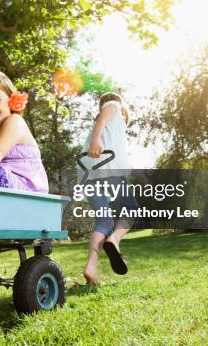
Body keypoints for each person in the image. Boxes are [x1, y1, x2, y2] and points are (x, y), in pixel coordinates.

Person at [81, 93, 137, 285]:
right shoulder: (113, 105)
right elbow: (102, 120)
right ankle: (114, 240)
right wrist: (96, 141)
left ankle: (91, 267)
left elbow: (101, 123)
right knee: (131, 211)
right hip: (108, 167)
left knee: (104, 220)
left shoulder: (107, 126)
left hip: (89, 173)